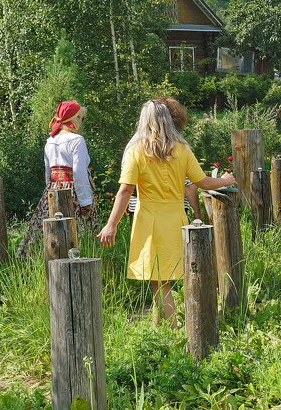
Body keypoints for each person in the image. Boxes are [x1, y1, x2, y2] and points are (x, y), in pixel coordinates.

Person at [98, 100, 236, 325]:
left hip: (149, 219)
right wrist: (225, 180)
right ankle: (161, 324)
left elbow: (125, 191)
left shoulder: (137, 151)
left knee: (159, 281)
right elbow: (202, 182)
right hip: (176, 218)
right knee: (167, 280)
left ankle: (171, 329)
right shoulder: (182, 149)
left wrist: (111, 224)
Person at [16, 100, 98, 258]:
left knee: (53, 229)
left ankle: (47, 257)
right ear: (74, 119)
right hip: (72, 192)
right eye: (81, 118)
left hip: (54, 190)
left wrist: (49, 194)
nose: (81, 122)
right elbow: (79, 173)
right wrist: (85, 201)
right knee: (76, 230)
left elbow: (48, 173)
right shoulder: (76, 140)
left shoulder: (50, 141)